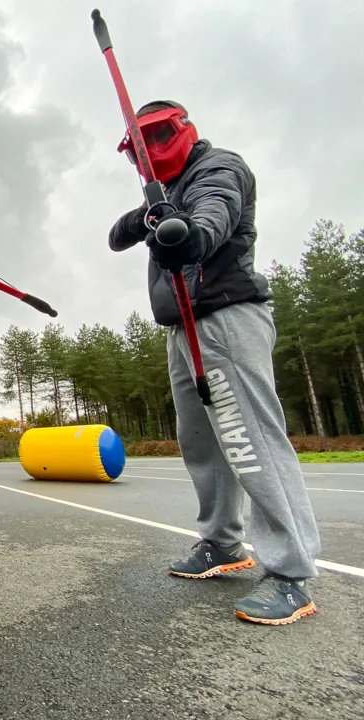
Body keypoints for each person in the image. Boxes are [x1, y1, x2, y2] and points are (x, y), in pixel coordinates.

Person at [108, 100, 321, 625]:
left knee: (249, 438)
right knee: (201, 442)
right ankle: (223, 543)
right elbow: (116, 237)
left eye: (157, 137)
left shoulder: (217, 167)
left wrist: (191, 234)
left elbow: (214, 211)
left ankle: (290, 571)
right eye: (139, 146)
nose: (149, 152)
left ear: (183, 130)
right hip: (182, 326)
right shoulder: (163, 192)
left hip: (225, 317)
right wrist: (147, 215)